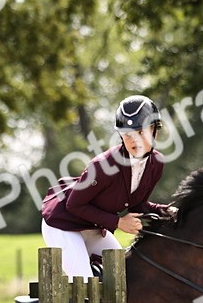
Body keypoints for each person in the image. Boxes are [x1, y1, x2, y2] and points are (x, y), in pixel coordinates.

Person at [41, 95, 173, 278]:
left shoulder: (156, 163)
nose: (134, 140)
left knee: (123, 276)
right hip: (62, 224)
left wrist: (168, 211)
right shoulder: (104, 165)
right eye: (127, 134)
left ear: (154, 130)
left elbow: (137, 204)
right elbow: (74, 205)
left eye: (140, 132)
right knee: (84, 282)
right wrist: (119, 222)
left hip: (93, 228)